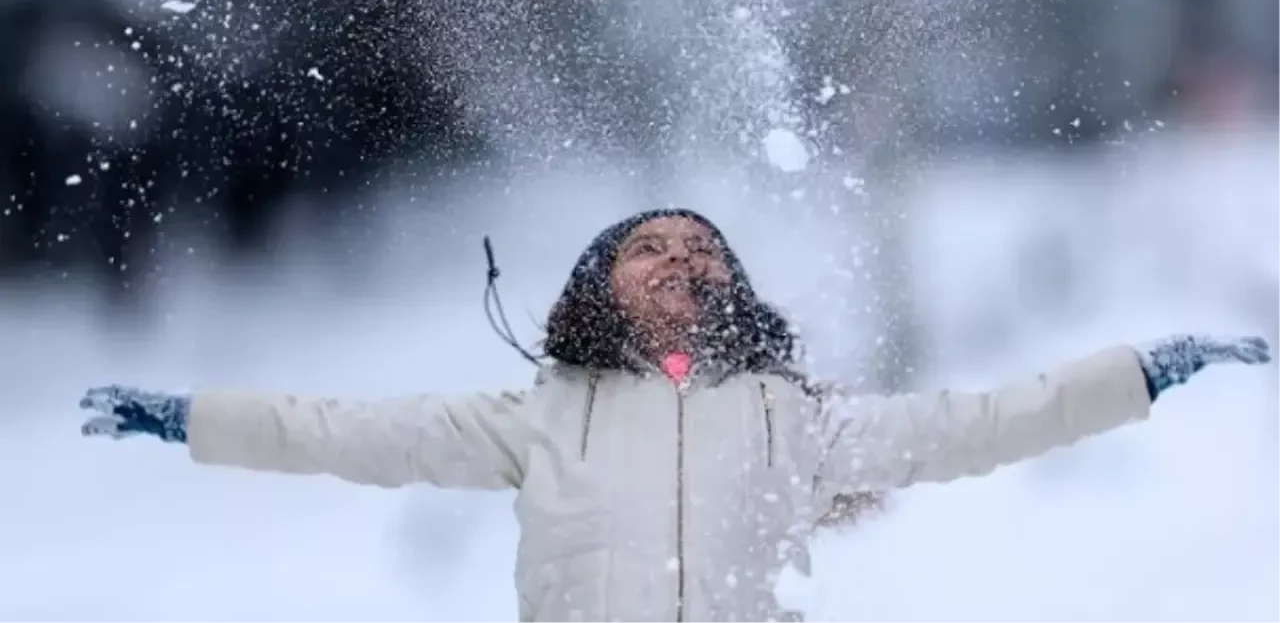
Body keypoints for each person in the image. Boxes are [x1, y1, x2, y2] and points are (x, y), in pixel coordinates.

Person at [80, 208, 1270, 623]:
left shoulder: (793, 421)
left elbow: (982, 419)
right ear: (596, 284)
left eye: (702, 250)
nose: (677, 261)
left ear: (732, 289)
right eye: (646, 247)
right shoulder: (535, 415)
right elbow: (335, 427)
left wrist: (1140, 372)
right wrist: (188, 417)